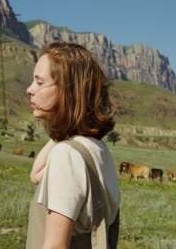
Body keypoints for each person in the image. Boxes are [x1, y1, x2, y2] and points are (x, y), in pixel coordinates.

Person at [26, 42, 121, 248]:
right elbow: (36, 175)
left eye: (40, 82)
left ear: (67, 91)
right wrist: (68, 123)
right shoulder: (96, 149)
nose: (29, 90)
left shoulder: (66, 155)